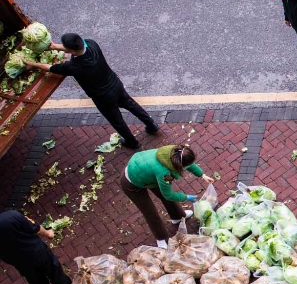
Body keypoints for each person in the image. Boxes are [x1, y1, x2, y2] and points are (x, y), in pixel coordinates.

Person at [24, 33, 157, 149]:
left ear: (72, 51)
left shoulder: (74, 66)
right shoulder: (91, 44)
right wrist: (54, 47)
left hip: (103, 97)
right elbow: (75, 48)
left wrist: (32, 64)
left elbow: (50, 68)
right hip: (116, 84)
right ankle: (151, 125)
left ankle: (132, 142)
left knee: (117, 120)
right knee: (131, 105)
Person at [121, 145, 215, 249]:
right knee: (150, 212)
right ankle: (161, 239)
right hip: (132, 182)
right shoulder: (165, 174)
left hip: (146, 171)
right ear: (180, 166)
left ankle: (178, 217)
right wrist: (186, 197)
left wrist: (202, 175)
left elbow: (189, 164)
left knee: (165, 194)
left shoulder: (177, 152)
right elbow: (169, 195)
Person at [0, 210, 74, 284]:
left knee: (36, 281)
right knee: (56, 274)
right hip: (38, 253)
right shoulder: (11, 216)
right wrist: (48, 233)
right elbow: (35, 227)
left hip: (21, 263)